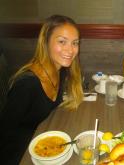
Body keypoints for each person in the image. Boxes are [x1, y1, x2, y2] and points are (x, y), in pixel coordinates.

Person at [0, 15, 83, 164]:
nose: (70, 50)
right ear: (45, 42)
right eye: (62, 41)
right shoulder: (27, 84)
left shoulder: (60, 70)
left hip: (45, 143)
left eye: (74, 43)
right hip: (20, 155)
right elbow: (4, 132)